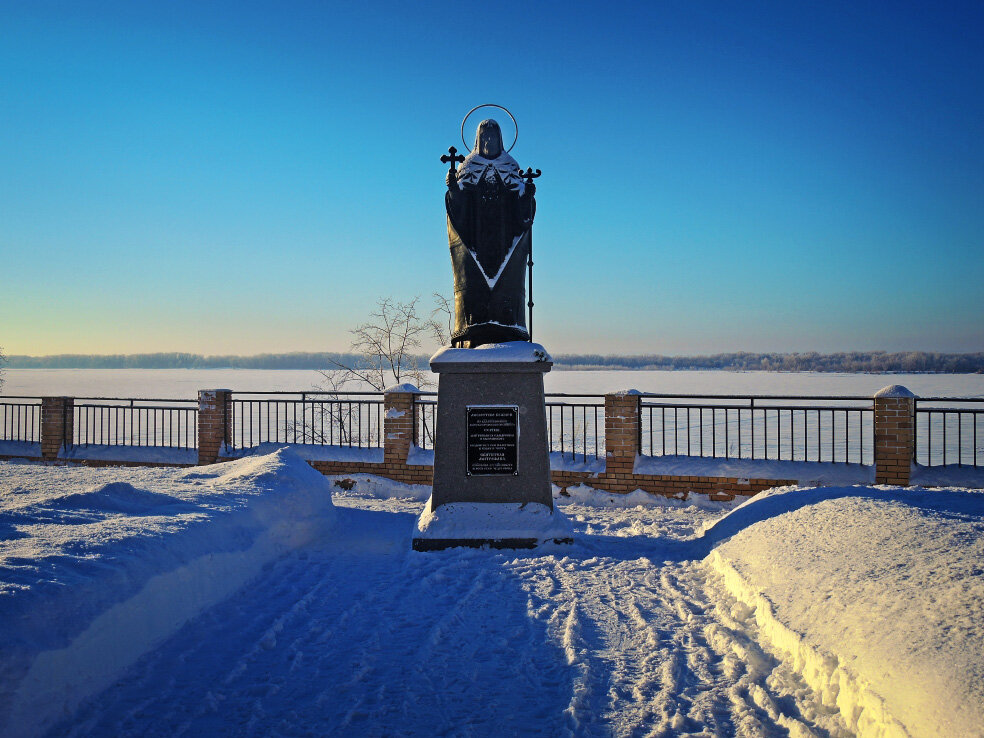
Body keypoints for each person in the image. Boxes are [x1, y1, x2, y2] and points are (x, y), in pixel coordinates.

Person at [445, 119, 536, 347]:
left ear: (500, 141)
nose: (488, 142)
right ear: (477, 140)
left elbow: (522, 215)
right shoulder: (468, 168)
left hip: (505, 239)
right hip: (476, 240)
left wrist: (527, 196)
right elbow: (459, 212)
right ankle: (472, 329)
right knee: (475, 283)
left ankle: (509, 326)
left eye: (493, 138)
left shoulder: (511, 168)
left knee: (508, 283)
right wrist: (454, 189)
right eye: (484, 138)